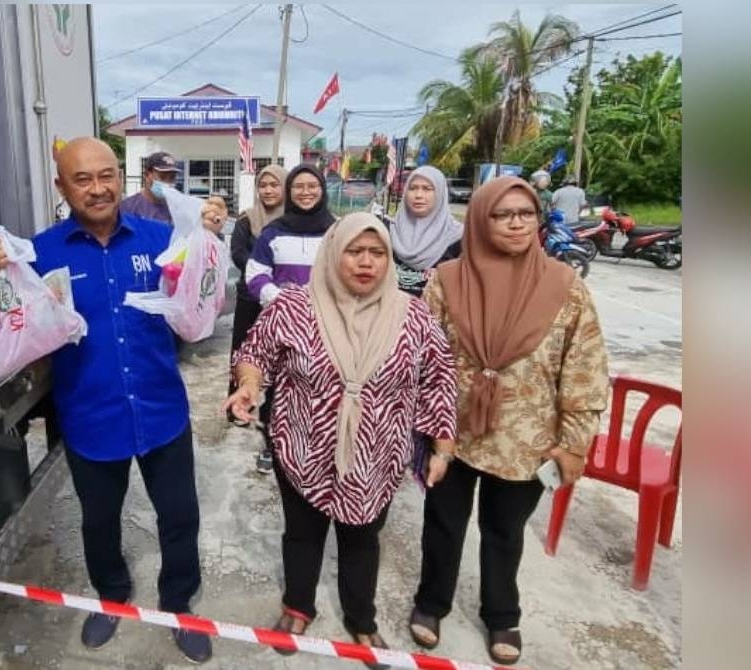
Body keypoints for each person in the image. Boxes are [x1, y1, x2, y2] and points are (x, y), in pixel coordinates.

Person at [0, 138, 223, 663]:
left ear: (122, 178)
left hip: (161, 409)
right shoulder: (39, 253)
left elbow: (202, 298)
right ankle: (112, 598)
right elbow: (9, 313)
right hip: (91, 414)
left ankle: (179, 605)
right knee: (99, 520)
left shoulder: (163, 239)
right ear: (61, 186)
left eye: (106, 175)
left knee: (179, 515)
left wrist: (209, 238)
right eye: (82, 179)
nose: (97, 187)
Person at [225, 212, 457, 669]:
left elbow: (439, 378)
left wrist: (441, 444)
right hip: (301, 445)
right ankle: (298, 605)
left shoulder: (412, 315)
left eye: (377, 253)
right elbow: (255, 352)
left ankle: (360, 617)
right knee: (303, 534)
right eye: (354, 251)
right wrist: (249, 386)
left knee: (362, 538)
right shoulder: (293, 306)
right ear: (334, 253)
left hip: (378, 453)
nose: (366, 262)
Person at [407, 176, 609, 666]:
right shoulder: (447, 280)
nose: (517, 222)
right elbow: (423, 357)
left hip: (527, 439)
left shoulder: (566, 286)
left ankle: (502, 614)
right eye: (503, 214)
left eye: (527, 213)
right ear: (480, 219)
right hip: (451, 431)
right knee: (443, 523)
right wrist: (424, 426)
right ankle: (432, 603)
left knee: (505, 530)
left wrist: (575, 442)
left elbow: (583, 367)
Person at [243, 164, 336, 473]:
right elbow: (255, 274)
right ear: (289, 192)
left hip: (329, 326)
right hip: (283, 328)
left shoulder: (337, 232)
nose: (306, 192)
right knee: (281, 387)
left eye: (312, 186)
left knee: (324, 387)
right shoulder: (273, 232)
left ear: (322, 190)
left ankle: (322, 449)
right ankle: (273, 446)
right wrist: (284, 302)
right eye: (299, 187)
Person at [228, 165, 287, 426]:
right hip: (250, 298)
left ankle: (275, 411)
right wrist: (261, 273)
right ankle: (237, 405)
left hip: (283, 301)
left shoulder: (292, 222)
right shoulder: (246, 219)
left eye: (274, 184)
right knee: (243, 351)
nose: (268, 190)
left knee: (280, 357)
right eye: (263, 185)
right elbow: (238, 252)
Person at [387, 165, 463, 298]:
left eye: (427, 189)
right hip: (390, 312)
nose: (418, 195)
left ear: (440, 193)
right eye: (413, 188)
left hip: (435, 315)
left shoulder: (457, 237)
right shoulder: (389, 231)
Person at [120, 151, 181, 224]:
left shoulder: (176, 210)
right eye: (162, 177)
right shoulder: (128, 208)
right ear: (146, 175)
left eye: (172, 178)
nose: (167, 183)